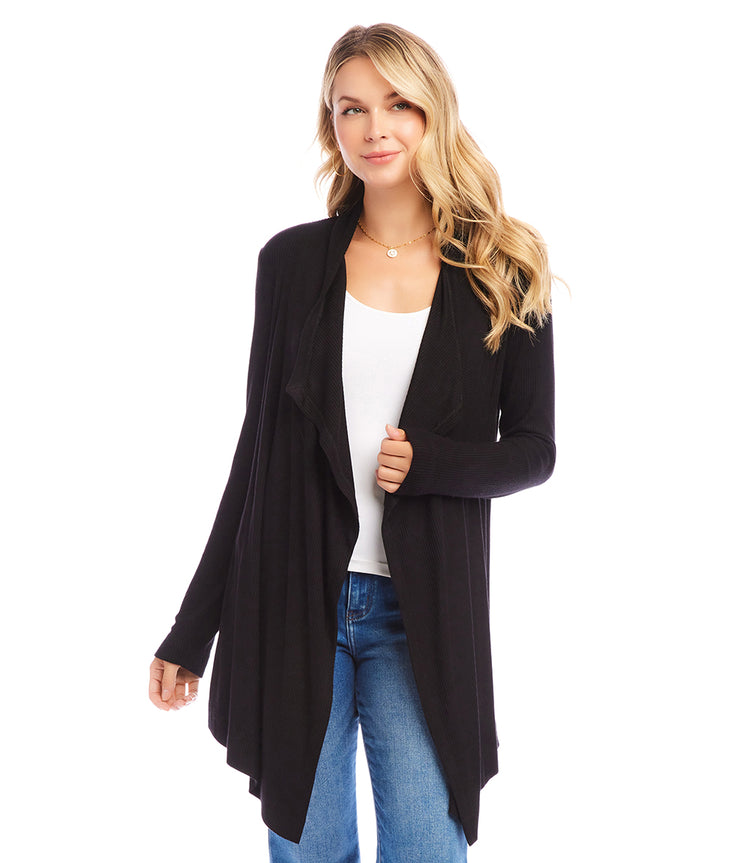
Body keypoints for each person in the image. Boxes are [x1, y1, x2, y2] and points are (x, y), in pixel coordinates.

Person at [149, 22, 558, 863]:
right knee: (311, 847)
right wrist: (193, 629)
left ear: (433, 111)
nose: (375, 128)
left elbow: (534, 448)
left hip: (421, 611)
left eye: (398, 104)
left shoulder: (504, 269)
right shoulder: (292, 264)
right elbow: (254, 456)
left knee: (427, 845)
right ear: (330, 124)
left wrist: (437, 463)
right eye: (351, 108)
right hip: (291, 596)